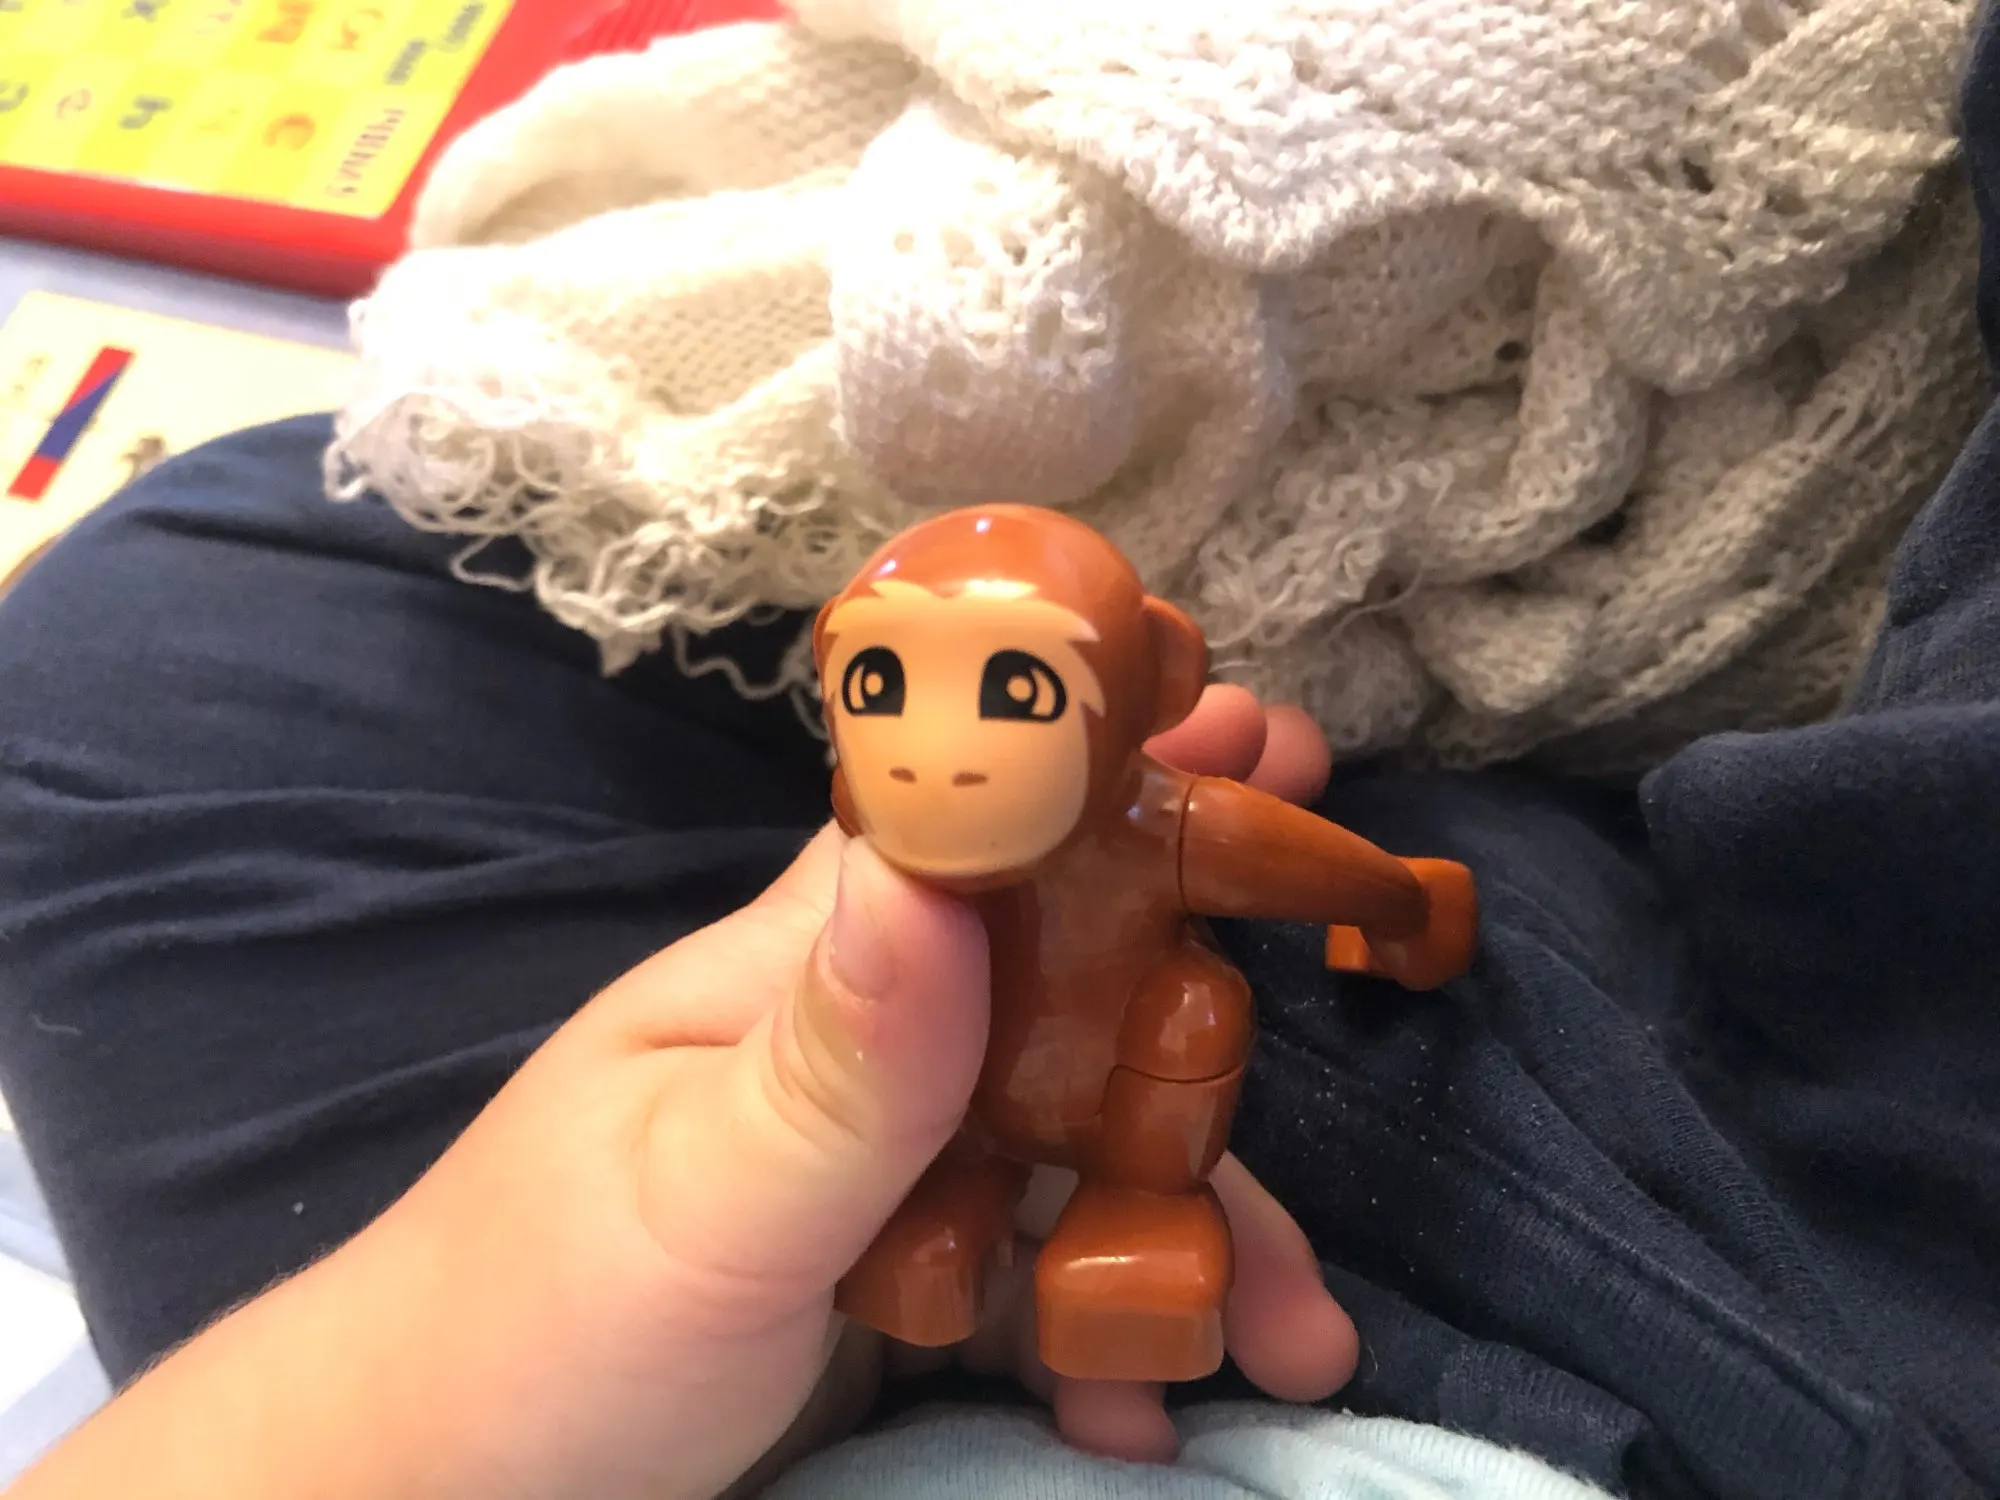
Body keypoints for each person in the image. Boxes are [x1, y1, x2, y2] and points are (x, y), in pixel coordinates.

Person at [5, 20, 2000, 1500]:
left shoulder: (1156, 824)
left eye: (1013, 697)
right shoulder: (915, 900)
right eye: (885, 690)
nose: (940, 757)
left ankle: (1126, 1276)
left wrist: (1396, 898)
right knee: (165, 629)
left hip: (1537, 1206)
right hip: (991, 1156)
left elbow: (1283, 861)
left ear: (1144, 678)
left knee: (1173, 1159)